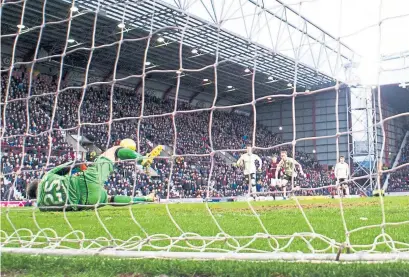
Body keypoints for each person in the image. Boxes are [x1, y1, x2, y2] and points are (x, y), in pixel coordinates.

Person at [26, 142, 163, 211]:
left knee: (109, 199)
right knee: (114, 150)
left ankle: (145, 198)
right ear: (38, 182)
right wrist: (87, 166)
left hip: (85, 202)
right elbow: (71, 165)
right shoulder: (46, 177)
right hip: (84, 181)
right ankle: (142, 159)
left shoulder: (41, 206)